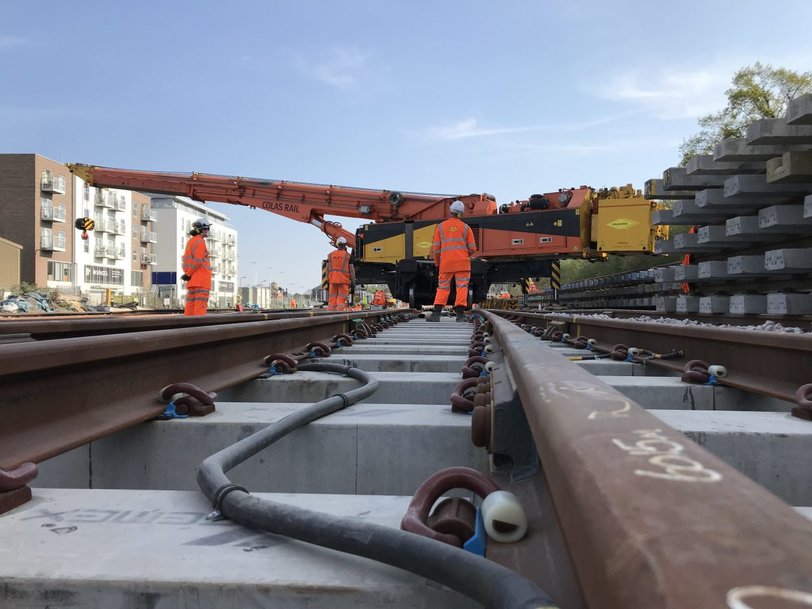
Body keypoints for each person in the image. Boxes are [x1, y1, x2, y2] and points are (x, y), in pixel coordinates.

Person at [427, 200, 477, 322]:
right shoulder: (466, 228)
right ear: (461, 214)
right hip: (462, 264)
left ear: (451, 212)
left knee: (443, 287)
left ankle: (436, 314)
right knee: (461, 287)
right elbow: (472, 248)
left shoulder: (440, 227)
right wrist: (464, 254)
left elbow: (436, 249)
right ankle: (460, 316)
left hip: (446, 264)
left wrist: (437, 263)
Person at [181, 217, 212, 316]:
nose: (207, 231)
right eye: (205, 229)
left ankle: (188, 329)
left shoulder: (191, 241)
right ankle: (199, 330)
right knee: (200, 309)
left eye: (208, 228)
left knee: (190, 308)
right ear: (199, 230)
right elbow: (197, 261)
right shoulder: (200, 242)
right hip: (201, 281)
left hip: (192, 282)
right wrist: (189, 274)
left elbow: (186, 261)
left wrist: (187, 274)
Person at [326, 236, 355, 311]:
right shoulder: (348, 256)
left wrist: (328, 280)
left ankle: (330, 314)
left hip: (332, 280)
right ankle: (340, 313)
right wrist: (353, 282)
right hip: (343, 280)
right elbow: (351, 270)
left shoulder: (330, 255)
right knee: (341, 299)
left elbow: (327, 269)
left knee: (332, 298)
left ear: (337, 244)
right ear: (345, 245)